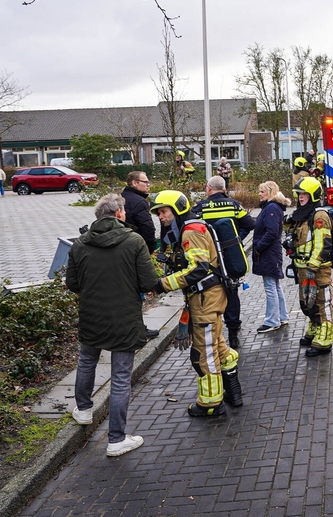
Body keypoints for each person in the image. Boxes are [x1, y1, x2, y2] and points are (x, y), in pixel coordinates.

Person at [65, 193, 158, 457]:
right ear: (118, 214)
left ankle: (83, 410)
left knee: (86, 361)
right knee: (119, 378)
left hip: (92, 316)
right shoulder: (134, 241)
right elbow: (148, 281)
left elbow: (72, 284)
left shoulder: (80, 244)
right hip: (124, 318)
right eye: (125, 212)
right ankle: (116, 440)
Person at [151, 190, 242, 417]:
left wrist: (164, 283)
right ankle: (233, 392)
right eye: (158, 213)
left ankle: (210, 404)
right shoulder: (190, 228)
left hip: (205, 301)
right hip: (209, 298)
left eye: (163, 212)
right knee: (219, 348)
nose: (160, 217)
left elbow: (199, 268)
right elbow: (197, 261)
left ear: (178, 208)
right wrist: (172, 259)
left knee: (204, 354)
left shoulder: (191, 231)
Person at [191, 176, 255, 350]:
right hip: (231, 256)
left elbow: (191, 227)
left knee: (212, 292)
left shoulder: (200, 207)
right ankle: (233, 333)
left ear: (209, 189)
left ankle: (216, 333)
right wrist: (236, 240)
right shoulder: (233, 205)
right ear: (224, 189)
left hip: (209, 258)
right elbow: (250, 224)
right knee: (232, 291)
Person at [284, 177, 333, 356]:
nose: (300, 197)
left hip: (317, 269)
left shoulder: (319, 215)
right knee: (307, 303)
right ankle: (314, 329)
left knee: (321, 303)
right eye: (299, 194)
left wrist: (313, 266)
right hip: (302, 268)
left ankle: (324, 340)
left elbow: (322, 243)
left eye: (304, 194)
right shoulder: (301, 214)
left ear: (313, 194)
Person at [253, 181, 291, 333]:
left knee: (270, 286)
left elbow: (272, 232)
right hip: (271, 252)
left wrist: (258, 248)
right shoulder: (272, 207)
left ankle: (272, 321)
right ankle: (282, 316)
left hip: (268, 253)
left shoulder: (271, 208)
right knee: (275, 285)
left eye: (262, 191)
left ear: (270, 192)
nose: (259, 194)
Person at [121, 171, 156, 251]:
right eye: (145, 182)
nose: (148, 185)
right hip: (136, 246)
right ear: (134, 183)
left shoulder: (119, 197)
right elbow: (147, 228)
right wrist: (149, 249)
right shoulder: (140, 202)